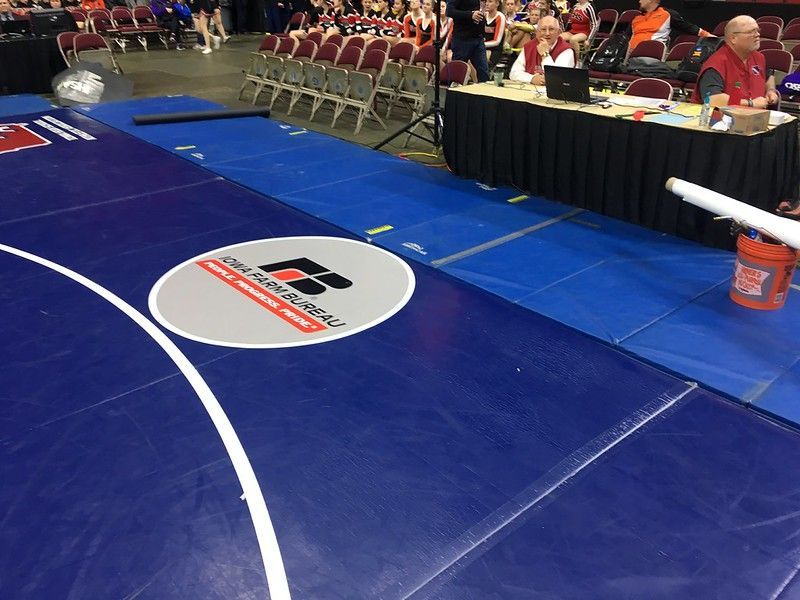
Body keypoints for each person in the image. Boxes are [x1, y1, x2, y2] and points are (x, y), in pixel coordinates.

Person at [692, 15, 779, 109]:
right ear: (733, 38)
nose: (757, 34)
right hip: (721, 120)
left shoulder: (759, 57)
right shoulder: (716, 64)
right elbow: (713, 99)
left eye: (758, 30)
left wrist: (771, 90)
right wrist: (750, 103)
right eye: (751, 32)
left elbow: (768, 76)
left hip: (754, 119)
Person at [509, 14, 573, 84]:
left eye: (551, 29)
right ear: (537, 32)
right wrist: (532, 78)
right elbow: (514, 73)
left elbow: (557, 78)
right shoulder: (528, 46)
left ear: (559, 32)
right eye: (543, 29)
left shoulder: (566, 50)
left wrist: (545, 55)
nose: (547, 33)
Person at [629, 0, 708, 51]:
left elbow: (691, 28)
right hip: (630, 57)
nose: (639, 1)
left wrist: (714, 38)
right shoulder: (636, 18)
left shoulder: (668, 14)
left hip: (651, 56)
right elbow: (625, 38)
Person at [446, 0, 489, 82]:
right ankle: (453, 93)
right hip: (462, 40)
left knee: (484, 72)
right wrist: (470, 15)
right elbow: (449, 11)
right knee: (457, 72)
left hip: (478, 39)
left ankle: (483, 93)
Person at [481, 0, 504, 68]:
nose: (487, 4)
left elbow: (497, 41)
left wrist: (480, 44)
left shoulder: (500, 17)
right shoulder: (484, 15)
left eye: (490, 1)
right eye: (486, 2)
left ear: (497, 4)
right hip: (482, 46)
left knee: (479, 58)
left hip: (495, 49)